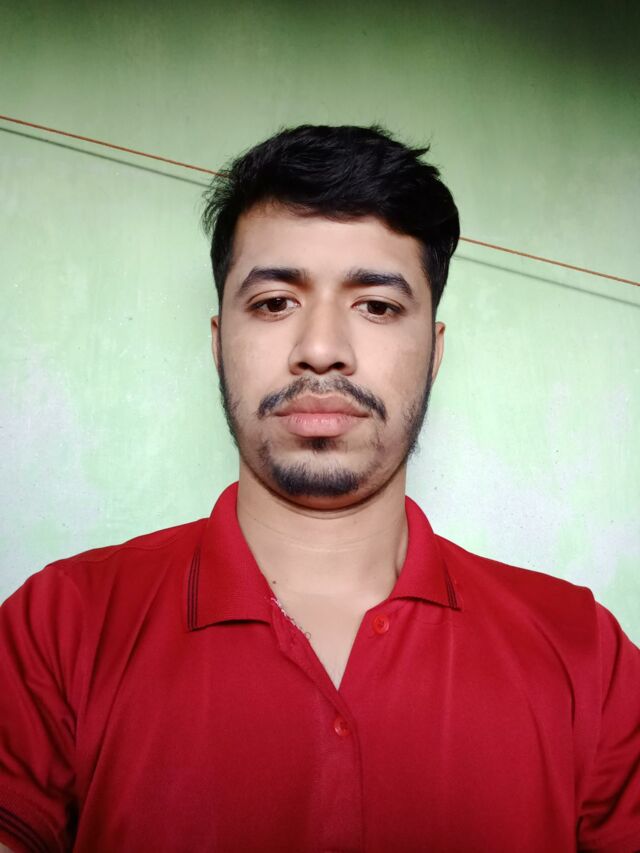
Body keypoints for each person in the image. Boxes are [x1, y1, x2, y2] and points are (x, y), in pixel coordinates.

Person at [0, 124, 638, 853]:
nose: (322, 349)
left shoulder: (585, 651)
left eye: (378, 306)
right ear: (217, 342)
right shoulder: (58, 627)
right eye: (275, 302)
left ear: (434, 353)